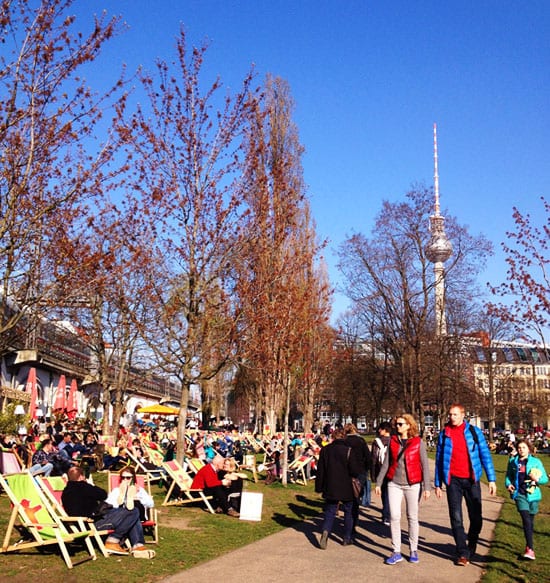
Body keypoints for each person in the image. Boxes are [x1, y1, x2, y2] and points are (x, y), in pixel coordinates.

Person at [434, 403, 497, 566]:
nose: (451, 417)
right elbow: (439, 459)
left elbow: (485, 455)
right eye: (450, 415)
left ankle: (471, 544)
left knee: (476, 518)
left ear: (463, 415)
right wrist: (437, 483)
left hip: (471, 480)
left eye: (455, 415)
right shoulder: (444, 433)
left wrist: (491, 479)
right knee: (456, 517)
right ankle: (462, 552)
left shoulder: (474, 432)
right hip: (453, 481)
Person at [375, 414, 431, 565]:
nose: (397, 427)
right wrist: (379, 483)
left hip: (413, 484)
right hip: (394, 483)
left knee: (412, 517)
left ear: (408, 425)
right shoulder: (393, 441)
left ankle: (413, 549)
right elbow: (386, 463)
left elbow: (424, 465)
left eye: (400, 424)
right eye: (396, 424)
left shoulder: (418, 442)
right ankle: (396, 551)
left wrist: (427, 487)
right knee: (394, 516)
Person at [62, 466, 153, 558]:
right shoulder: (84, 487)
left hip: (85, 523)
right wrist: (90, 484)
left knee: (132, 511)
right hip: (93, 523)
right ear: (81, 477)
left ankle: (136, 546)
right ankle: (117, 541)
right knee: (133, 512)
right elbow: (103, 494)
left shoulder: (65, 493)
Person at [315, 427, 362, 549]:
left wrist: (319, 487)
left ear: (333, 437)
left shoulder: (325, 450)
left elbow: (321, 470)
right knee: (348, 512)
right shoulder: (348, 451)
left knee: (330, 511)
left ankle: (325, 532)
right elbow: (355, 471)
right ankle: (346, 537)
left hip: (331, 485)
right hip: (346, 486)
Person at [505, 439, 548, 560]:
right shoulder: (513, 461)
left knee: (530, 520)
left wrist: (537, 478)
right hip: (519, 494)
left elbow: (545, 479)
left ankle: (528, 545)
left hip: (533, 495)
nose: (521, 450)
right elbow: (508, 476)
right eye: (519, 448)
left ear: (528, 449)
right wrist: (508, 485)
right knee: (525, 518)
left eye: (523, 447)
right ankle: (530, 549)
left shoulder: (536, 461)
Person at [344, 423, 371, 537]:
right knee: (356, 498)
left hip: (346, 472)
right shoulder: (361, 441)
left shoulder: (344, 442)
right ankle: (354, 523)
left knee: (347, 499)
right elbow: (368, 457)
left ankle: (348, 523)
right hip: (360, 472)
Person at [371, 421, 391, 525]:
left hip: (380, 469)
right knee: (390, 493)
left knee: (385, 493)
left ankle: (386, 514)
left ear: (384, 430)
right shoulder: (394, 441)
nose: (379, 431)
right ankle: (389, 513)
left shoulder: (377, 442)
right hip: (392, 470)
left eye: (380, 429)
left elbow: (374, 458)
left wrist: (373, 474)